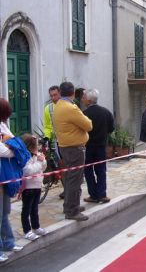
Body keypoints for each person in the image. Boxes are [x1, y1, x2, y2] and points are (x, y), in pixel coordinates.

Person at [53, 82, 93, 221]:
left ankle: (71, 205)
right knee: (75, 179)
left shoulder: (58, 105)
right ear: (73, 92)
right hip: (74, 148)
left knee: (71, 177)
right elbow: (88, 125)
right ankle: (72, 210)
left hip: (65, 146)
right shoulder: (70, 108)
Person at [0, 98, 24, 262]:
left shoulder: (2, 125)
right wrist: (12, 145)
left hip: (5, 175)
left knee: (5, 212)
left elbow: (17, 144)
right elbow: (6, 151)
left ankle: (8, 243)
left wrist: (11, 143)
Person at [82, 89, 115, 204]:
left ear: (89, 100)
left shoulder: (84, 114)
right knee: (101, 170)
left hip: (88, 146)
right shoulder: (106, 112)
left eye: (84, 97)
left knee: (88, 170)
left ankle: (93, 194)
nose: (82, 99)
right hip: (101, 146)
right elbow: (111, 129)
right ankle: (102, 194)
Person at [20, 134, 48, 241]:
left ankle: (36, 227)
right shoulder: (26, 157)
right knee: (26, 209)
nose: (38, 147)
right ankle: (27, 231)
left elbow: (43, 168)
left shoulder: (37, 155)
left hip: (37, 186)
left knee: (35, 209)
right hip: (28, 188)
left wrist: (43, 160)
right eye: (36, 145)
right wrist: (40, 162)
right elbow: (28, 171)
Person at [42, 85, 64, 199]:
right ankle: (65, 187)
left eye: (55, 95)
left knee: (65, 164)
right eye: (51, 95)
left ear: (60, 93)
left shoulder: (67, 106)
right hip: (55, 141)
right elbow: (47, 126)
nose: (53, 97)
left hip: (66, 140)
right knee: (59, 164)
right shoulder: (48, 108)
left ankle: (69, 189)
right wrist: (46, 136)